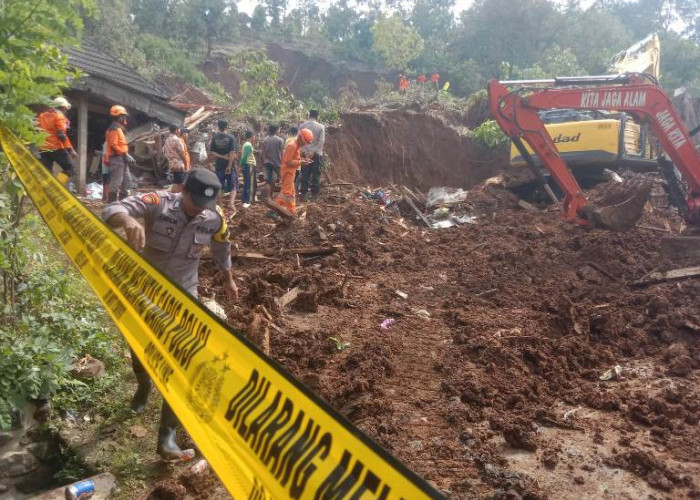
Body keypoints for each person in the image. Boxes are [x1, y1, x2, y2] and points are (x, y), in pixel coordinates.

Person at [102, 168, 238, 461]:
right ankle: (143, 384)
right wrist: (127, 220)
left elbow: (222, 243)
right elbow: (113, 207)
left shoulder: (213, 217)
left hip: (183, 297)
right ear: (183, 191)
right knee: (139, 346)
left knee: (184, 362)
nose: (199, 210)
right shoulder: (158, 202)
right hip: (145, 291)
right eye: (195, 203)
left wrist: (228, 278)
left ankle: (167, 435)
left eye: (205, 206)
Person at [38, 97, 77, 185]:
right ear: (63, 108)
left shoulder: (42, 115)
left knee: (47, 173)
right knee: (70, 168)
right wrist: (71, 150)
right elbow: (61, 135)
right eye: (66, 109)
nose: (66, 112)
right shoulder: (59, 116)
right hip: (56, 147)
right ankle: (57, 187)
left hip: (43, 148)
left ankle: (48, 192)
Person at [275, 128, 313, 215]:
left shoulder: (296, 146)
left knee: (291, 193)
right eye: (305, 142)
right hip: (287, 172)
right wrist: (301, 162)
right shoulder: (292, 145)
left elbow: (294, 159)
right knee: (286, 192)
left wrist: (303, 160)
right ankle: (273, 210)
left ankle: (291, 210)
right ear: (301, 138)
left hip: (291, 172)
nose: (305, 144)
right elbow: (288, 162)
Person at [105, 105, 135, 202]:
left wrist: (125, 155)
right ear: (118, 117)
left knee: (127, 182)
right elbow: (113, 145)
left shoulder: (119, 128)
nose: (125, 118)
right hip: (116, 159)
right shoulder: (114, 129)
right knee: (116, 183)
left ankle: (123, 205)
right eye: (123, 116)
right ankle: (111, 205)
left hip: (121, 158)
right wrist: (126, 154)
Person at [208, 119, 238, 208]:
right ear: (226, 126)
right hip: (230, 166)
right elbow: (232, 152)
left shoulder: (215, 137)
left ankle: (220, 204)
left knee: (219, 185)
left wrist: (222, 156)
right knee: (233, 185)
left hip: (219, 165)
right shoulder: (231, 137)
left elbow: (212, 152)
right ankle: (231, 204)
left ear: (218, 126)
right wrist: (229, 165)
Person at [299, 110, 326, 202]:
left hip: (305, 154)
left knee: (304, 174)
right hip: (316, 154)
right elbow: (321, 141)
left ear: (309, 115)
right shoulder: (321, 127)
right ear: (317, 116)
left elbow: (299, 140)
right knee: (316, 174)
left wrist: (305, 151)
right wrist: (313, 152)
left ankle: (303, 194)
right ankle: (314, 196)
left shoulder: (302, 126)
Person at [261, 124, 284, 200]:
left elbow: (263, 153)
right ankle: (272, 196)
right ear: (276, 130)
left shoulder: (265, 140)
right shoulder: (280, 140)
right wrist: (282, 163)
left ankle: (267, 197)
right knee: (276, 180)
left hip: (267, 162)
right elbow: (282, 153)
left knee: (267, 181)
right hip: (276, 163)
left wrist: (263, 162)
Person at [163, 125, 187, 193]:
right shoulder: (177, 140)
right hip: (178, 165)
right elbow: (181, 153)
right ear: (176, 130)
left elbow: (165, 152)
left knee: (176, 182)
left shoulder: (167, 140)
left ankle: (173, 195)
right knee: (181, 184)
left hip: (171, 164)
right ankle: (178, 198)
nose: (180, 131)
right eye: (179, 129)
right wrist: (185, 163)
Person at [239, 130, 257, 208]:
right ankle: (247, 202)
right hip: (249, 165)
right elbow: (244, 157)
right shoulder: (248, 145)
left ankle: (245, 201)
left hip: (248, 165)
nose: (255, 137)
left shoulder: (247, 145)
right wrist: (241, 165)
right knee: (250, 184)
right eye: (254, 136)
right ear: (252, 136)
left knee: (247, 183)